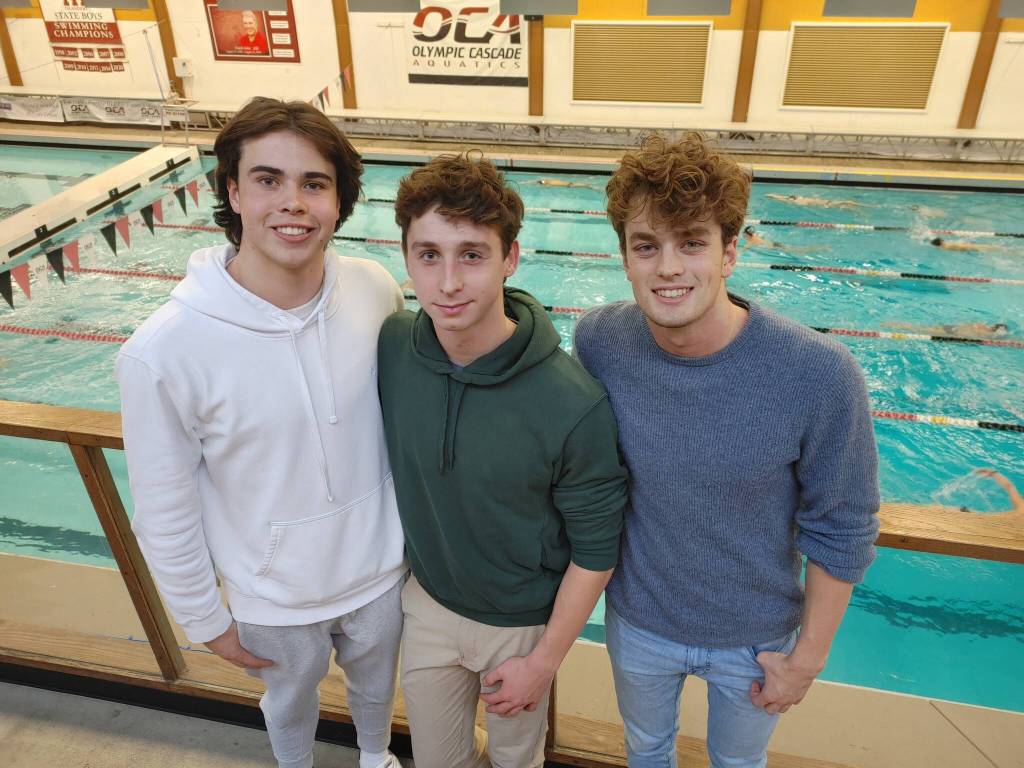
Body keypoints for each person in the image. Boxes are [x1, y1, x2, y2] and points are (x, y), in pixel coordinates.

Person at [116, 98, 405, 768]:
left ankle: (373, 756)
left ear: (339, 201)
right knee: (287, 704)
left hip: (380, 572)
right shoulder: (163, 350)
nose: (293, 204)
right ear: (233, 192)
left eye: (314, 184)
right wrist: (204, 620)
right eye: (269, 180)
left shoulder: (373, 289)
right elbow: (163, 507)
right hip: (273, 595)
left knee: (375, 690)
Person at [575, 134, 880, 768]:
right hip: (638, 620)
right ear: (625, 257)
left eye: (692, 243)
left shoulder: (819, 373)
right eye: (646, 246)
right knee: (646, 753)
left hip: (756, 639)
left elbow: (843, 525)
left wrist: (807, 660)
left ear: (730, 253)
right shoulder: (600, 341)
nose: (668, 268)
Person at [377, 153, 628, 768]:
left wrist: (543, 661)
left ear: (509, 258)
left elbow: (597, 551)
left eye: (472, 254)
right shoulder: (392, 349)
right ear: (406, 257)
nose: (449, 283)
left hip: (520, 627)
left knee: (517, 762)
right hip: (428, 603)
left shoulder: (571, 401)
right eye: (428, 255)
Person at [739, 225, 827, 254]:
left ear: (747, 235)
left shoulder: (750, 241)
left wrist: (740, 250)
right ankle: (819, 248)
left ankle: (818, 249)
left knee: (797, 251)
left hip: (773, 247)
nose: (744, 237)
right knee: (795, 249)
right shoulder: (756, 235)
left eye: (744, 235)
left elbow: (744, 250)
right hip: (774, 243)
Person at [886, 320, 1009, 340]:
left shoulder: (981, 326)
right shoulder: (983, 332)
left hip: (951, 329)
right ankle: (896, 325)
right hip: (951, 331)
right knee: (918, 330)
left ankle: (896, 324)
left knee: (920, 329)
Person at [765, 192, 872, 210]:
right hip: (826, 203)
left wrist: (773, 196)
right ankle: (865, 207)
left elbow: (783, 198)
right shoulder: (800, 199)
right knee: (847, 203)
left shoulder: (799, 201)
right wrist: (773, 196)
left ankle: (866, 206)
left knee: (847, 203)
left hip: (827, 204)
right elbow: (783, 198)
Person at [929, 237, 1005, 253]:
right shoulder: (948, 245)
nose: (943, 239)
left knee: (991, 249)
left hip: (968, 249)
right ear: (941, 241)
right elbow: (961, 247)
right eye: (942, 239)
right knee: (991, 248)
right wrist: (969, 245)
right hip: (971, 248)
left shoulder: (943, 248)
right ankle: (1007, 251)